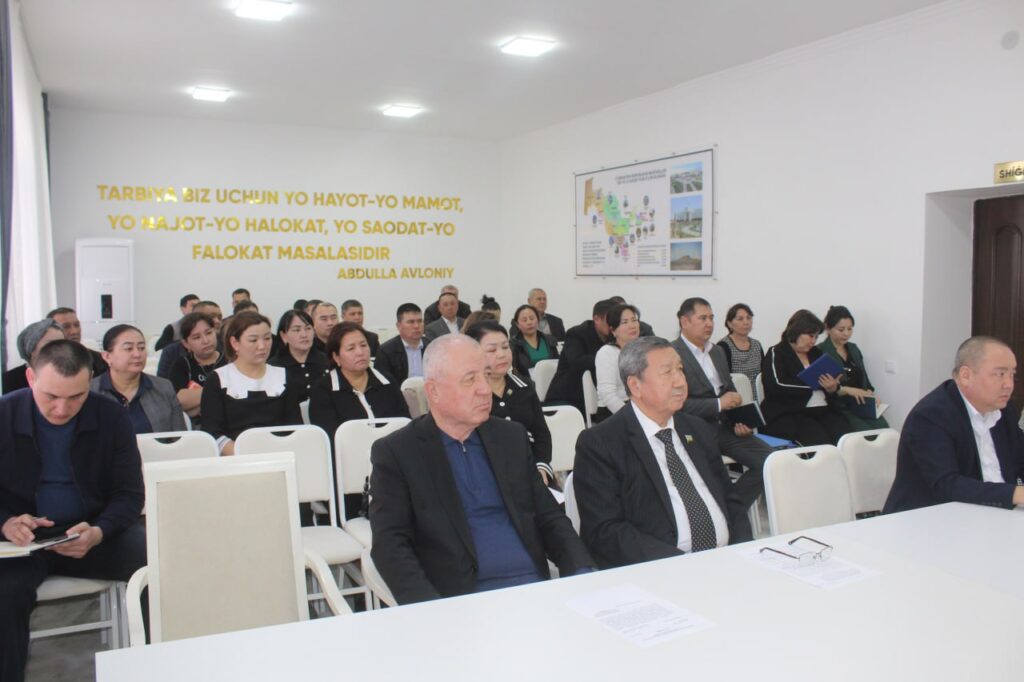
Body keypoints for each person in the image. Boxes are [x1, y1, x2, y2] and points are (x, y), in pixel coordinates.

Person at [369, 335, 595, 604]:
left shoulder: (510, 437)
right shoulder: (399, 453)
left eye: (486, 376)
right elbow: (390, 546)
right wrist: (430, 610)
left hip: (532, 589)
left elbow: (548, 516)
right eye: (470, 380)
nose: (485, 389)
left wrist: (582, 572)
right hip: (459, 601)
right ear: (433, 391)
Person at [0, 341, 145, 682]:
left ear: (89, 383)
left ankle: (164, 667)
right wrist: (5, 522)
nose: (62, 409)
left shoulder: (111, 416)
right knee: (4, 595)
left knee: (161, 564)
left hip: (91, 532)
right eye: (51, 396)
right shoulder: (4, 415)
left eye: (76, 397)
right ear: (31, 378)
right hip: (21, 542)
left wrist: (100, 531)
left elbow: (129, 494)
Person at [573, 336, 752, 568]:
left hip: (728, 562)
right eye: (667, 372)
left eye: (680, 370)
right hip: (660, 569)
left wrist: (742, 551)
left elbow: (729, 499)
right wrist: (682, 565)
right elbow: (605, 530)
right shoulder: (601, 443)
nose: (680, 381)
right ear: (635, 386)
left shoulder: (697, 428)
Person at [884, 336, 1024, 513]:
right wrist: (1015, 494)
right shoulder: (931, 415)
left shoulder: (1003, 410)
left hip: (993, 513)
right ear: (966, 376)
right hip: (929, 518)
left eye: (1012, 374)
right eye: (1000, 374)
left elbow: (1020, 458)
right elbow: (946, 484)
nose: (1009, 384)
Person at [671, 298, 770, 512]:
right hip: (692, 431)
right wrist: (718, 403)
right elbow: (676, 404)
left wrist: (739, 419)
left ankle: (730, 510)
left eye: (711, 318)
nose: (709, 324)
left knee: (770, 461)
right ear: (685, 322)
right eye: (703, 318)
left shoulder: (716, 352)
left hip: (724, 427)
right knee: (712, 477)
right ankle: (722, 513)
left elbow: (728, 390)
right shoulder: (672, 354)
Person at [465, 321, 555, 486]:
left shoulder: (524, 387)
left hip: (529, 470)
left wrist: (541, 467)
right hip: (486, 477)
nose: (501, 354)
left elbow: (541, 434)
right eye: (492, 350)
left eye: (505, 347)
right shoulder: (468, 394)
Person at [200, 311, 303, 455]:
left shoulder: (283, 376)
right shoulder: (218, 379)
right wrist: (247, 455)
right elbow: (212, 433)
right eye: (253, 340)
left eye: (267, 338)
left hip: (280, 456)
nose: (262, 346)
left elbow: (295, 427)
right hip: (236, 458)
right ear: (235, 343)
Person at [760, 309, 852, 446]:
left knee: (847, 439)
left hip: (823, 410)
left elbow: (829, 383)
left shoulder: (816, 353)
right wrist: (813, 384)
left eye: (816, 337)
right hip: (790, 413)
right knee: (821, 442)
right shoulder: (777, 352)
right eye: (810, 336)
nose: (813, 341)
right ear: (796, 332)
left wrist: (832, 387)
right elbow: (776, 384)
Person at [309, 321, 409, 444]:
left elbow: (404, 422)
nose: (360, 352)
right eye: (351, 348)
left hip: (390, 449)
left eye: (363, 345)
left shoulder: (386, 381)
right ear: (336, 357)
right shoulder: (323, 390)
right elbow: (329, 437)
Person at [90, 324, 186, 434]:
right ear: (107, 356)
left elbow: (180, 436)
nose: (137, 354)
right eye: (128, 348)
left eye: (141, 348)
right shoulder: (90, 392)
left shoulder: (163, 387)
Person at [817, 305, 889, 431]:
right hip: (839, 407)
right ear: (828, 328)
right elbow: (823, 389)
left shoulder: (853, 349)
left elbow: (865, 381)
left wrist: (870, 395)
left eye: (850, 329)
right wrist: (848, 390)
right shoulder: (820, 351)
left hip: (861, 404)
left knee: (885, 430)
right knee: (865, 434)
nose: (846, 333)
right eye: (841, 329)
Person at [544, 298, 615, 413]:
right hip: (568, 398)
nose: (614, 325)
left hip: (601, 398)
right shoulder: (577, 333)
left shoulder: (616, 337)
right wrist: (607, 358)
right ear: (597, 319)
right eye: (610, 321)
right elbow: (577, 362)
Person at [169, 311, 226, 426]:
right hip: (196, 428)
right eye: (197, 337)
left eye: (209, 333)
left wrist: (196, 403)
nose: (205, 340)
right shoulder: (182, 365)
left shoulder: (230, 360)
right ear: (186, 344)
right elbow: (178, 402)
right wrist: (222, 392)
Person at [269, 309, 328, 403]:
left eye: (308, 328)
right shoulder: (274, 367)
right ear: (283, 335)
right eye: (296, 330)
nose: (304, 335)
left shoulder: (326, 360)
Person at [595, 303, 641, 416]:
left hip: (639, 406)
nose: (632, 325)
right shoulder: (606, 353)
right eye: (625, 322)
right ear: (613, 330)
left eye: (634, 320)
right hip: (614, 411)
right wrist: (633, 417)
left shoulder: (643, 350)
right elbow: (607, 395)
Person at [158, 300, 223, 379]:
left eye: (219, 317)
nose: (217, 321)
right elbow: (163, 383)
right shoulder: (172, 353)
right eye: (211, 317)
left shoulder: (227, 349)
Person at [716, 303, 765, 402]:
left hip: (760, 399)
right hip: (737, 400)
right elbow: (724, 380)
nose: (746, 322)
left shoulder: (757, 345)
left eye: (749, 318)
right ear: (730, 324)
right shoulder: (723, 346)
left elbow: (763, 374)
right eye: (740, 319)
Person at [2, 319, 64, 393]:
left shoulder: (69, 374)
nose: (60, 349)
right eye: (51, 344)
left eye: (63, 344)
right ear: (32, 349)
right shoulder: (7, 380)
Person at [374, 303, 429, 383]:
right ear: (398, 325)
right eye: (411, 322)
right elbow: (383, 383)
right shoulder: (385, 351)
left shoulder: (432, 346)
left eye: (420, 321)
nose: (417, 326)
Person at [46, 308, 108, 377]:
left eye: (77, 325)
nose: (74, 331)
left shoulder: (98, 360)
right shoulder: (43, 361)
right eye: (66, 326)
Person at [509, 304, 559, 375]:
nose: (529, 322)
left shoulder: (550, 340)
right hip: (525, 381)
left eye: (532, 318)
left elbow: (557, 364)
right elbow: (513, 371)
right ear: (517, 324)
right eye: (524, 320)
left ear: (538, 320)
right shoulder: (514, 345)